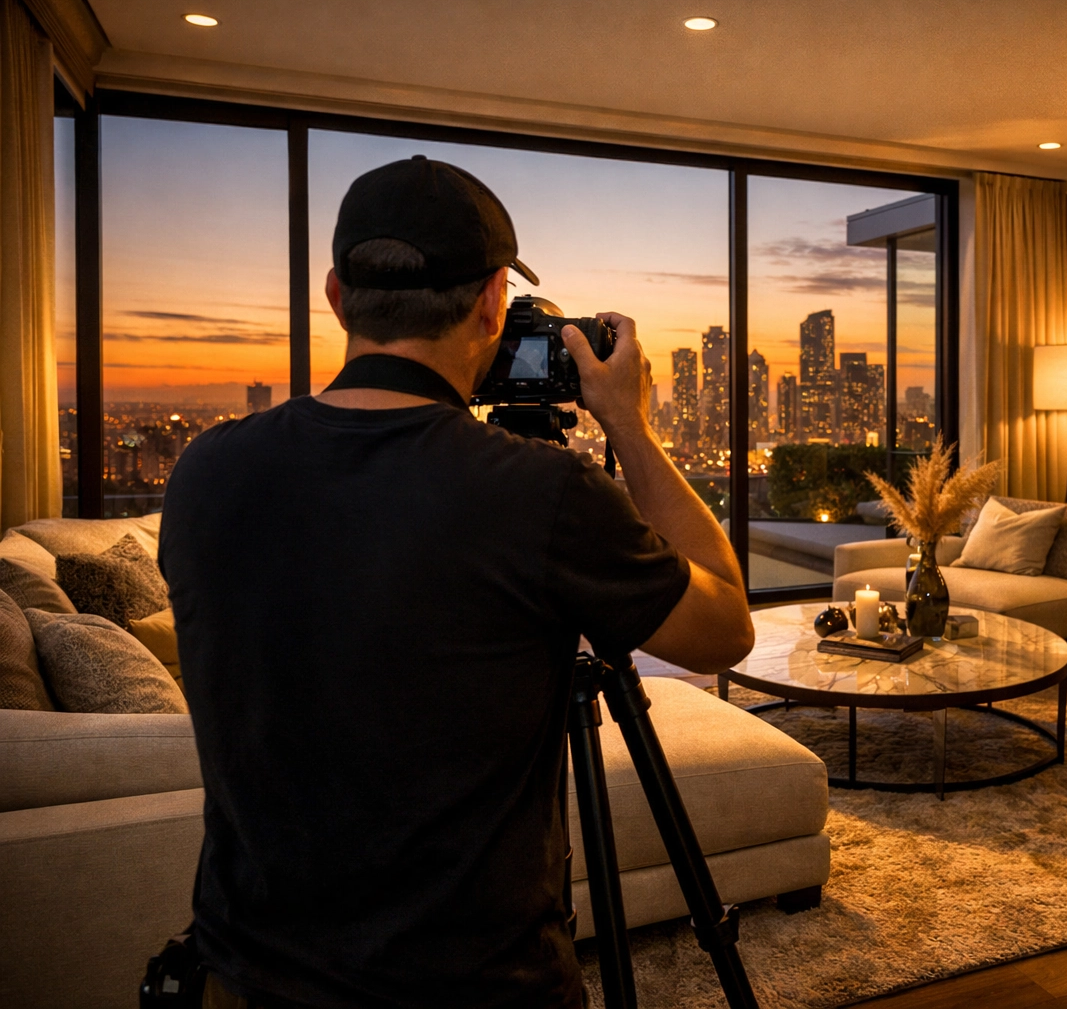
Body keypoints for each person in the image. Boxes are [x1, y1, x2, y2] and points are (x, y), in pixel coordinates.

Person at [159, 156, 754, 1009]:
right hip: (474, 987)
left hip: (242, 977)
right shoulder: (541, 494)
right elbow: (724, 629)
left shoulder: (207, 471)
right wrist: (629, 423)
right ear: (491, 304)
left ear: (337, 296)